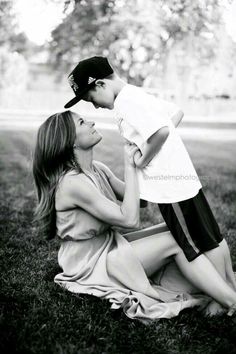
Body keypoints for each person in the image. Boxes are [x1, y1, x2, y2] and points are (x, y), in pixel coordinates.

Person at [63, 56, 236, 314]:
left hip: (170, 188)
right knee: (210, 236)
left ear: (100, 85)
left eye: (91, 99)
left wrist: (143, 157)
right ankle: (227, 285)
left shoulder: (125, 104)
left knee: (191, 244)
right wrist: (157, 144)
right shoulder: (136, 94)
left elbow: (161, 132)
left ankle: (223, 298)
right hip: (182, 177)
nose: (96, 108)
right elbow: (175, 115)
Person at [32, 110, 236, 322]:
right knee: (174, 240)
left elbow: (141, 200)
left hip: (110, 247)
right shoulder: (73, 183)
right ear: (70, 141)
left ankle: (220, 287)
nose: (91, 121)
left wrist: (147, 152)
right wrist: (129, 165)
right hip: (92, 263)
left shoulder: (97, 169)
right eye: (82, 122)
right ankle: (230, 300)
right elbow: (130, 220)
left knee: (179, 230)